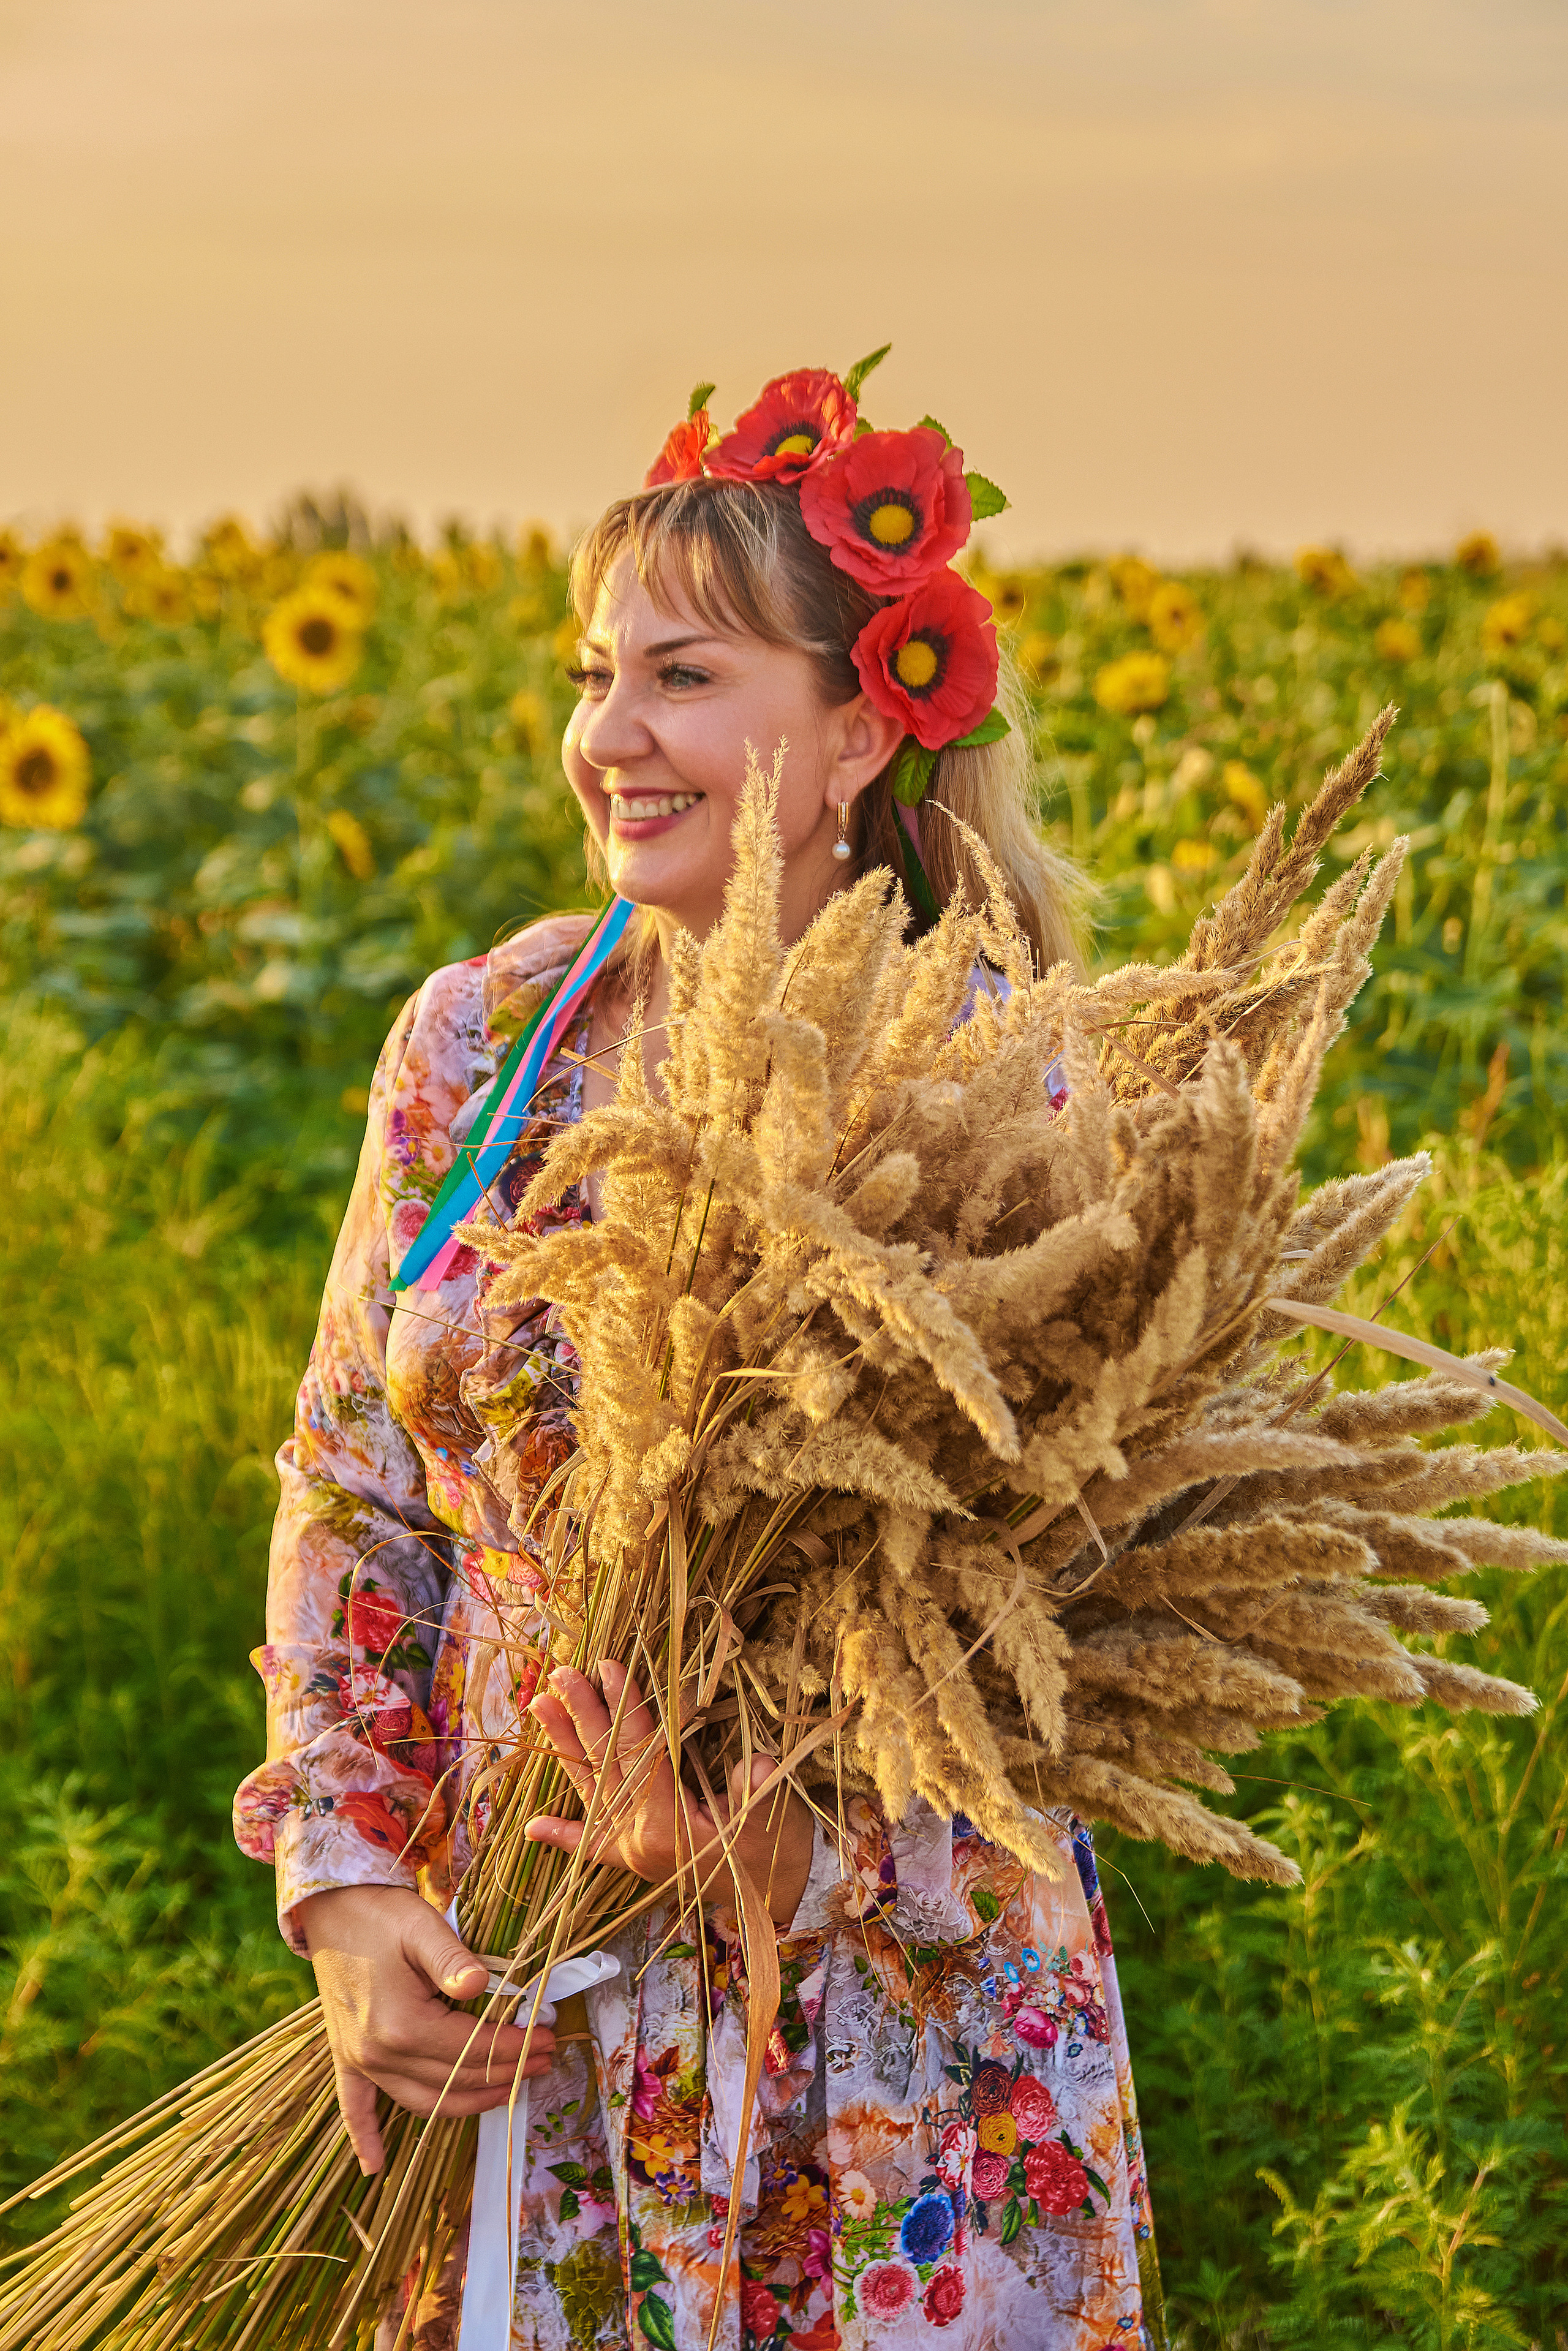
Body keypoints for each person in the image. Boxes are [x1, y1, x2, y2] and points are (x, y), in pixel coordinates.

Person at [235, 362, 1166, 2351]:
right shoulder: (481, 1045)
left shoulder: (1006, 1086)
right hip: (524, 2008)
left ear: (856, 731)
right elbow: (350, 1489)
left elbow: (1096, 1599)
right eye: (595, 675)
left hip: (893, 2055)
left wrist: (793, 1844)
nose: (609, 738)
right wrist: (351, 1887)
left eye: (683, 677)